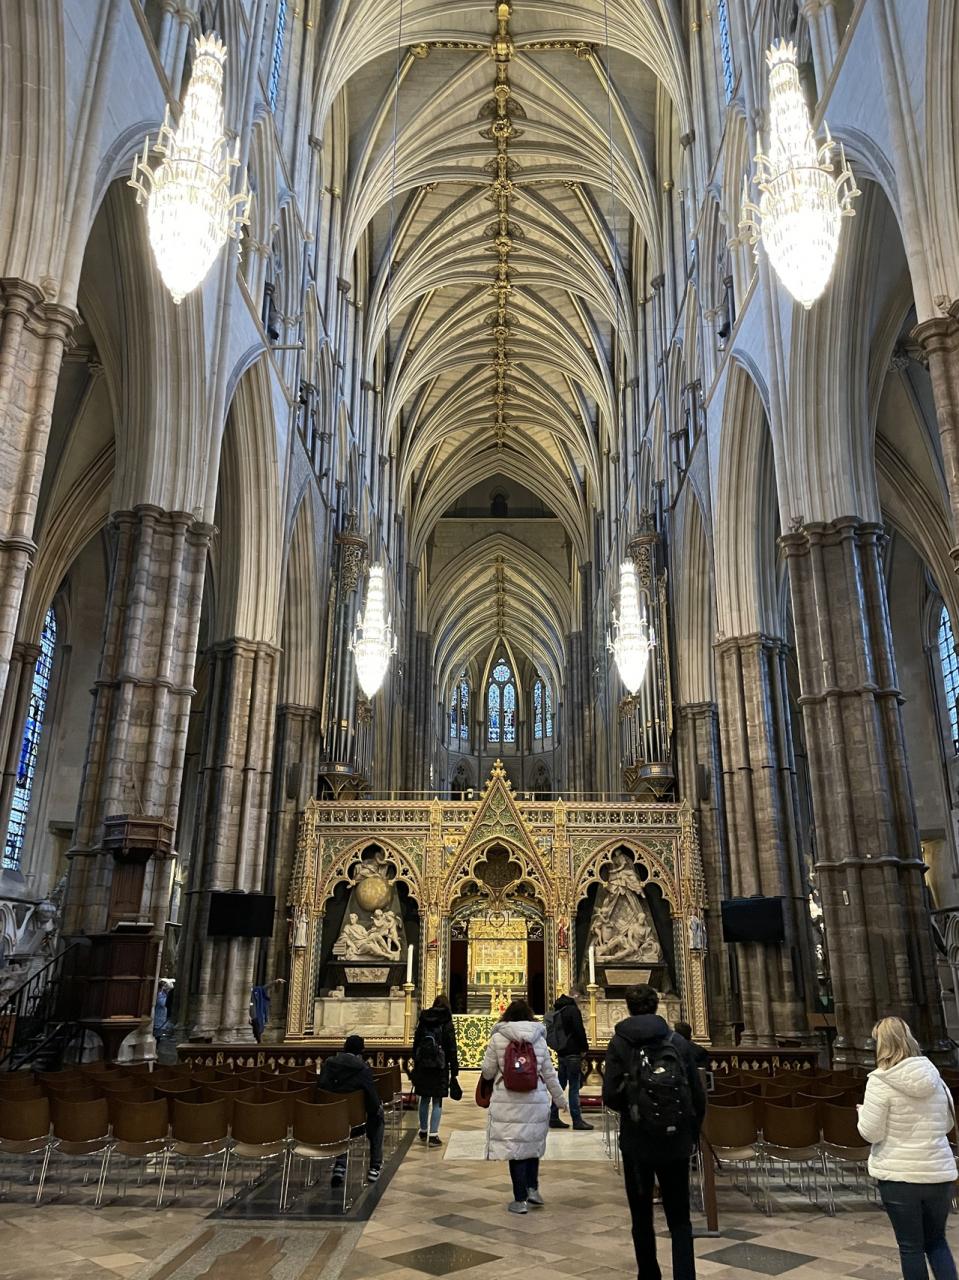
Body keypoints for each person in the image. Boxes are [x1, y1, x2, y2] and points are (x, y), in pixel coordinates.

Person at [603, 984, 706, 1280]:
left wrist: (635, 1107)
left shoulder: (619, 1043)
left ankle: (648, 1275)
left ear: (628, 1007)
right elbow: (697, 1095)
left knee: (641, 1217)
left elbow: (610, 1095)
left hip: (637, 1141)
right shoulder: (677, 1041)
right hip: (675, 1140)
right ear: (656, 1004)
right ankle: (685, 1275)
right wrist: (691, 1135)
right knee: (680, 1218)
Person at [857, 1016, 958, 1280]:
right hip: (937, 1173)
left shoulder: (880, 1081)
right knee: (937, 1242)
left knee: (911, 1247)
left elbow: (871, 1132)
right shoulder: (934, 1076)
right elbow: (947, 1123)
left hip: (900, 1176)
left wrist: (862, 1113)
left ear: (880, 1045)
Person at [480, 998, 568, 1214]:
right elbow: (549, 1074)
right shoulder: (539, 1040)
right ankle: (533, 1189)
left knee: (514, 1149)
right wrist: (560, 1100)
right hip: (535, 1099)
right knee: (531, 1144)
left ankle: (519, 1200)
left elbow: (488, 1072)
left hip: (507, 1101)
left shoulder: (498, 1038)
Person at [318, 1033, 385, 1185]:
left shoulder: (328, 1064)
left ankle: (340, 1166)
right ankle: (374, 1166)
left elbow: (320, 1089)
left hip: (329, 1121)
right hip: (356, 1124)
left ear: (344, 1048)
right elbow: (373, 1101)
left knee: (343, 1124)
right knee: (378, 1118)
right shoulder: (363, 1069)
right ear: (361, 1051)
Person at [412, 993, 460, 1146]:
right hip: (440, 1064)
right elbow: (451, 1047)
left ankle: (423, 1130)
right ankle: (433, 1135)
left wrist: (416, 1060)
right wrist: (454, 1068)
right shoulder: (446, 1021)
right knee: (437, 1100)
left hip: (424, 1063)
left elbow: (417, 1041)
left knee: (424, 1098)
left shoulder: (424, 1019)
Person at [547, 986, 593, 1131]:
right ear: (576, 996)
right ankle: (577, 1120)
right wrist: (584, 1048)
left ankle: (553, 1116)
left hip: (561, 1052)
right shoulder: (572, 1010)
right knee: (574, 1086)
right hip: (573, 1052)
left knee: (560, 1085)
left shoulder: (558, 1009)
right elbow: (579, 1030)